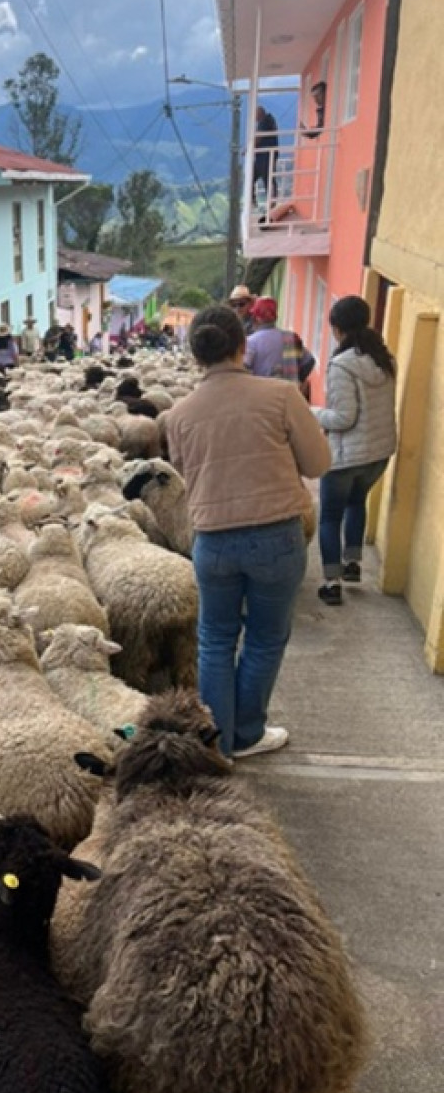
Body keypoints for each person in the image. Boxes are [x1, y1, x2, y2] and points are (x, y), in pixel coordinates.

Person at [163, 305, 331, 759]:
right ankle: (249, 732)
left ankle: (219, 742)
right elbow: (318, 463)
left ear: (196, 355)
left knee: (215, 639)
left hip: (213, 541)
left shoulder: (178, 416)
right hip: (276, 537)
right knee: (265, 637)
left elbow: (186, 473)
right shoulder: (280, 396)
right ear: (243, 345)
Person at [311, 295, 398, 607]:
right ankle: (352, 563)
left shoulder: (341, 366)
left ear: (337, 328)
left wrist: (310, 412)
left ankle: (331, 583)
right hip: (378, 454)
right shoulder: (384, 360)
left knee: (329, 517)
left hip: (346, 458)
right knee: (356, 502)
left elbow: (343, 419)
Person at [244, 297, 316, 396]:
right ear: (276, 317)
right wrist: (297, 378)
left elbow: (243, 369)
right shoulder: (290, 338)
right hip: (290, 396)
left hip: (262, 397)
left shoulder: (250, 342)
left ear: (257, 318)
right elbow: (309, 361)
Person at [253, 105, 279, 206]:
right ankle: (253, 200)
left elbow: (259, 137)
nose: (255, 119)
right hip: (262, 156)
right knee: (254, 176)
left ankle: (272, 202)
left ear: (260, 114)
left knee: (268, 178)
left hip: (266, 156)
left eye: (255, 116)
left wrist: (249, 148)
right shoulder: (268, 120)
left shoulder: (265, 121)